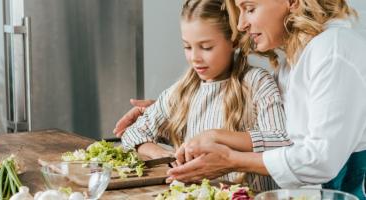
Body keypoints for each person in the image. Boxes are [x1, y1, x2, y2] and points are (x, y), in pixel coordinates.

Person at [164, 0, 366, 198]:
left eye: (250, 9)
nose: (241, 24)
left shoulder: (333, 49)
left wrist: (232, 160)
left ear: (293, 2)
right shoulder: (294, 61)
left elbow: (321, 160)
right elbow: (282, 137)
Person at [119, 0, 292, 191]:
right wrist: (163, 156)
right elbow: (133, 134)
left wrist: (216, 136)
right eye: (187, 47)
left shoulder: (257, 82)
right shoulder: (183, 91)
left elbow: (281, 140)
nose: (195, 57)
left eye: (206, 47)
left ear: (233, 40)